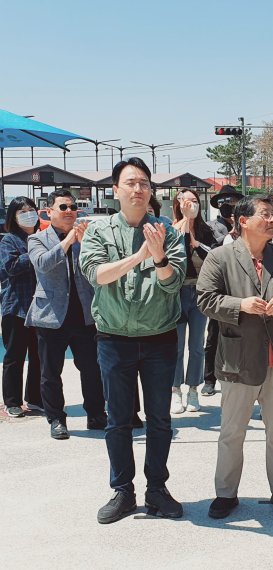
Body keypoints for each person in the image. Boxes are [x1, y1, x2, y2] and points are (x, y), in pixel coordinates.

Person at [79, 158, 187, 524]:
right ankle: (122, 491)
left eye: (144, 183)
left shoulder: (168, 232)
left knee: (159, 420)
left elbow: (173, 283)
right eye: (130, 182)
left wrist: (158, 258)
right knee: (118, 420)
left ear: (151, 190)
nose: (138, 189)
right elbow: (97, 275)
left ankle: (157, 488)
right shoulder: (98, 231)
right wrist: (140, 255)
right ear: (115, 190)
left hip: (160, 339)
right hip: (114, 339)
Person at [196, 194, 273, 520]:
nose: (272, 220)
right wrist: (239, 306)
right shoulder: (220, 257)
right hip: (238, 360)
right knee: (232, 432)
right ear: (243, 221)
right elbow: (205, 299)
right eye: (265, 214)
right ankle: (226, 494)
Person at [26, 189, 106, 440]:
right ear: (49, 212)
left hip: (84, 315)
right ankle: (57, 419)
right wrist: (69, 240)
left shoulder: (87, 237)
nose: (70, 211)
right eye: (63, 207)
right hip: (51, 316)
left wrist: (82, 242)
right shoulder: (38, 239)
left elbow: (96, 269)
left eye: (73, 207)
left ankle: (96, 413)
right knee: (50, 372)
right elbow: (43, 264)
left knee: (92, 368)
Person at [170, 188, 216, 413]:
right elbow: (170, 256)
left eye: (195, 201)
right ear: (178, 205)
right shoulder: (171, 229)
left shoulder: (207, 230)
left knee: (196, 346)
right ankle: (176, 390)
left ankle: (193, 390)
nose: (191, 205)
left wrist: (197, 242)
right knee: (176, 347)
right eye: (186, 201)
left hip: (199, 293)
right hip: (176, 293)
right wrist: (184, 226)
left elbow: (216, 257)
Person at [0, 197, 42, 417]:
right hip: (16, 307)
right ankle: (12, 401)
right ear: (13, 217)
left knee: (38, 355)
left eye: (31, 210)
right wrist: (35, 253)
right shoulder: (9, 241)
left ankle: (35, 398)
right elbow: (11, 267)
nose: (28, 214)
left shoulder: (42, 237)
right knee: (15, 356)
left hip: (40, 308)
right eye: (22, 211)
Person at [202, 184, 245, 397]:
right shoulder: (211, 227)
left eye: (233, 202)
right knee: (213, 335)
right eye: (224, 203)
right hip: (220, 288)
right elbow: (208, 251)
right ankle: (208, 378)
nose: (229, 206)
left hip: (243, 288)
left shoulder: (246, 225)